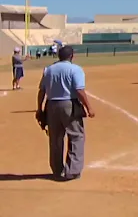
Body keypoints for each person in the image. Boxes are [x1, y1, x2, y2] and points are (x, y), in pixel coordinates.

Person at [35, 46, 95, 181]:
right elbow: (79, 90)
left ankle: (57, 170)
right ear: (71, 56)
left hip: (51, 105)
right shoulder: (75, 69)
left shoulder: (49, 69)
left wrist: (40, 109)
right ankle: (72, 171)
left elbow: (41, 91)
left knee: (55, 138)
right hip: (69, 104)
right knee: (76, 136)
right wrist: (89, 107)